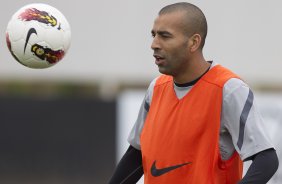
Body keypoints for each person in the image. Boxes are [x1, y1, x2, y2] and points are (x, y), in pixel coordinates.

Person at [108, 2, 279, 184]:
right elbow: (137, 155)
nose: (154, 44)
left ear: (193, 42)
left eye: (165, 36)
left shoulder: (229, 89)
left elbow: (266, 160)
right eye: (154, 35)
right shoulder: (156, 88)